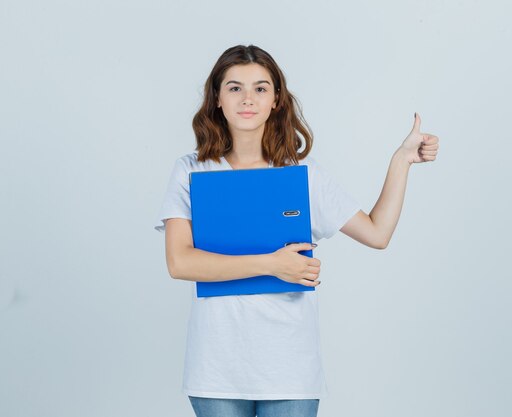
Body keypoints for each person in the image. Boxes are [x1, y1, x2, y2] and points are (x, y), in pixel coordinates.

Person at [154, 44, 439, 417]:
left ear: (275, 100)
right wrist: (272, 265)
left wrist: (401, 161)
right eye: (234, 87)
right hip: (217, 368)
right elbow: (180, 262)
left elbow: (377, 233)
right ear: (217, 99)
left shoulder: (303, 175)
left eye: (260, 88)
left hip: (289, 367)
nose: (247, 99)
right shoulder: (193, 170)